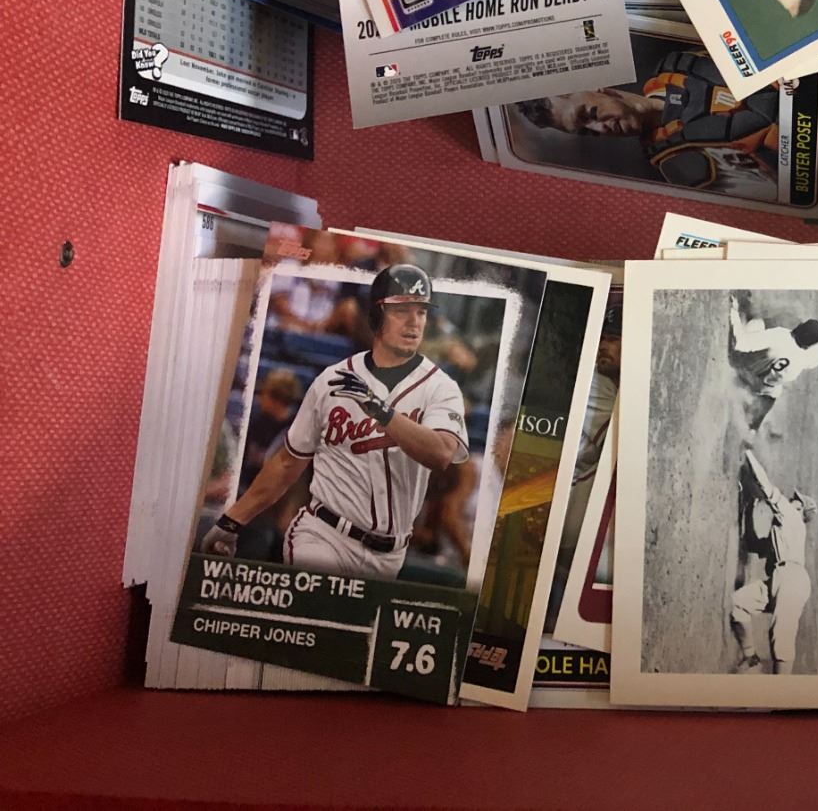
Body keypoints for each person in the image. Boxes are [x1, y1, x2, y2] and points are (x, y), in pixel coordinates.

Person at [198, 265, 470, 581]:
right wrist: (232, 521)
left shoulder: (441, 388)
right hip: (324, 534)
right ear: (376, 316)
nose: (414, 321)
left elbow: (441, 452)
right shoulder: (333, 379)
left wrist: (380, 411)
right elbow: (287, 462)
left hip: (390, 555)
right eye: (402, 310)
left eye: (421, 311)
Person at [513, 49, 785, 201]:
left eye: (589, 114)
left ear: (597, 88)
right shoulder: (680, 163)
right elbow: (777, 197)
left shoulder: (679, 66)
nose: (599, 129)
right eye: (586, 132)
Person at [729, 453, 816, 674]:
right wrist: (749, 505)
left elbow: (765, 485)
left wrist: (748, 453)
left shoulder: (791, 516)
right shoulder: (783, 532)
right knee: (738, 605)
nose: (790, 500)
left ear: (800, 510)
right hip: (780, 579)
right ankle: (751, 659)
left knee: (781, 640)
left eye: (795, 500)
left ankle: (780, 690)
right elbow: (753, 544)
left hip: (791, 579)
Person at [727, 293, 818, 431]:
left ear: (799, 327)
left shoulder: (780, 335)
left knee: (757, 323)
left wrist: (734, 311)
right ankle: (753, 428)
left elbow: (741, 343)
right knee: (774, 393)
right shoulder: (807, 357)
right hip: (763, 389)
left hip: (744, 372)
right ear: (809, 345)